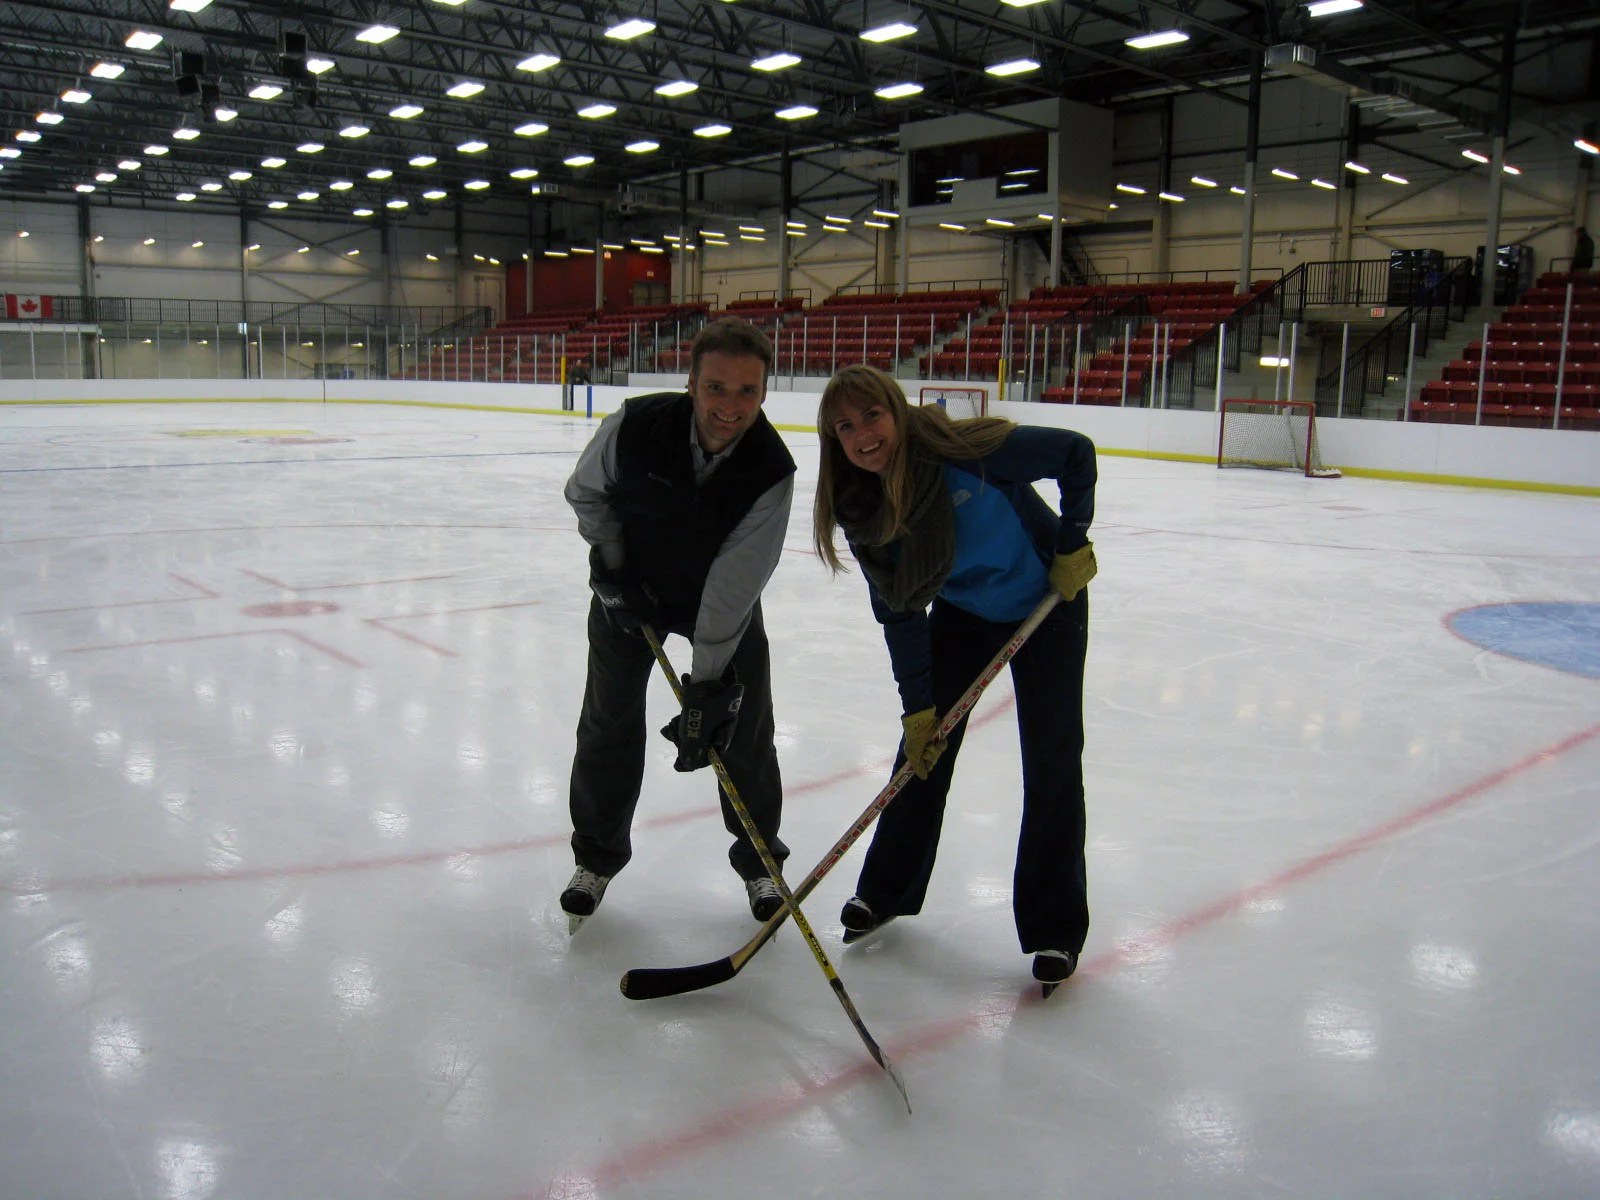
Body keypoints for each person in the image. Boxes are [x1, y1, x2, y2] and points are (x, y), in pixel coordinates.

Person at [812, 365, 1098, 991]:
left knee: (1051, 759)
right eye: (845, 427)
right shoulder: (862, 509)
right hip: (965, 613)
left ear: (896, 411)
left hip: (1048, 600)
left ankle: (1054, 927)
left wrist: (1072, 542)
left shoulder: (969, 454)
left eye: (872, 416)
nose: (863, 435)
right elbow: (899, 612)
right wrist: (919, 708)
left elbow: (1075, 453)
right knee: (923, 751)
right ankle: (885, 891)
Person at [561, 318, 796, 929]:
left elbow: (734, 586)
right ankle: (595, 859)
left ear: (764, 392)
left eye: (747, 391)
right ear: (691, 383)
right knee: (608, 720)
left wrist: (709, 685)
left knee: (744, 731)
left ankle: (760, 864)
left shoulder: (771, 470)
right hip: (628, 589)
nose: (730, 406)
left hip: (717, 604)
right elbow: (586, 492)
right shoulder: (635, 424)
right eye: (716, 387)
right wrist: (615, 570)